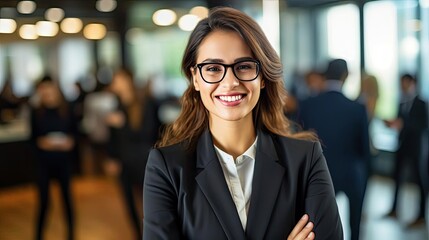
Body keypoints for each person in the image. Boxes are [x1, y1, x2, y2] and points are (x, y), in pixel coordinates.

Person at [143, 7, 343, 240]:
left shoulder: (305, 159)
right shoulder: (166, 168)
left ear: (263, 77)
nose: (230, 82)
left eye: (244, 66)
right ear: (196, 78)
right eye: (213, 69)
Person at [298, 59, 370, 240]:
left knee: (316, 226)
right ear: (345, 76)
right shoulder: (357, 108)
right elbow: (364, 149)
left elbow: (300, 143)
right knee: (355, 224)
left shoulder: (308, 104)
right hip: (351, 173)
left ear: (324, 75)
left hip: (318, 173)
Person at [105, 68, 162, 240]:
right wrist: (112, 158)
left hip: (144, 162)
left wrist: (123, 124)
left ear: (127, 81)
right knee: (129, 206)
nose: (114, 84)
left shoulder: (146, 103)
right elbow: (113, 139)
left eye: (117, 80)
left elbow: (149, 134)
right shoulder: (117, 106)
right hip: (124, 163)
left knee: (150, 206)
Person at [30, 76, 77, 240]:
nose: (47, 93)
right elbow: (32, 140)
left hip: (63, 161)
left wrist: (70, 142)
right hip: (44, 162)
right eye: (44, 90)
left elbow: (75, 134)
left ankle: (71, 235)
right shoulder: (36, 112)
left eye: (50, 89)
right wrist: (41, 143)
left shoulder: (67, 110)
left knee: (67, 200)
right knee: (44, 202)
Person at [384, 73, 428, 228]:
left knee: (420, 181)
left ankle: (421, 215)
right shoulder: (401, 101)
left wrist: (403, 124)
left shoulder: (421, 103)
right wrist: (393, 124)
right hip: (402, 146)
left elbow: (422, 126)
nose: (402, 86)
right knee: (397, 178)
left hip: (416, 148)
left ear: (412, 83)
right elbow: (401, 124)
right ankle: (395, 209)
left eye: (405, 83)